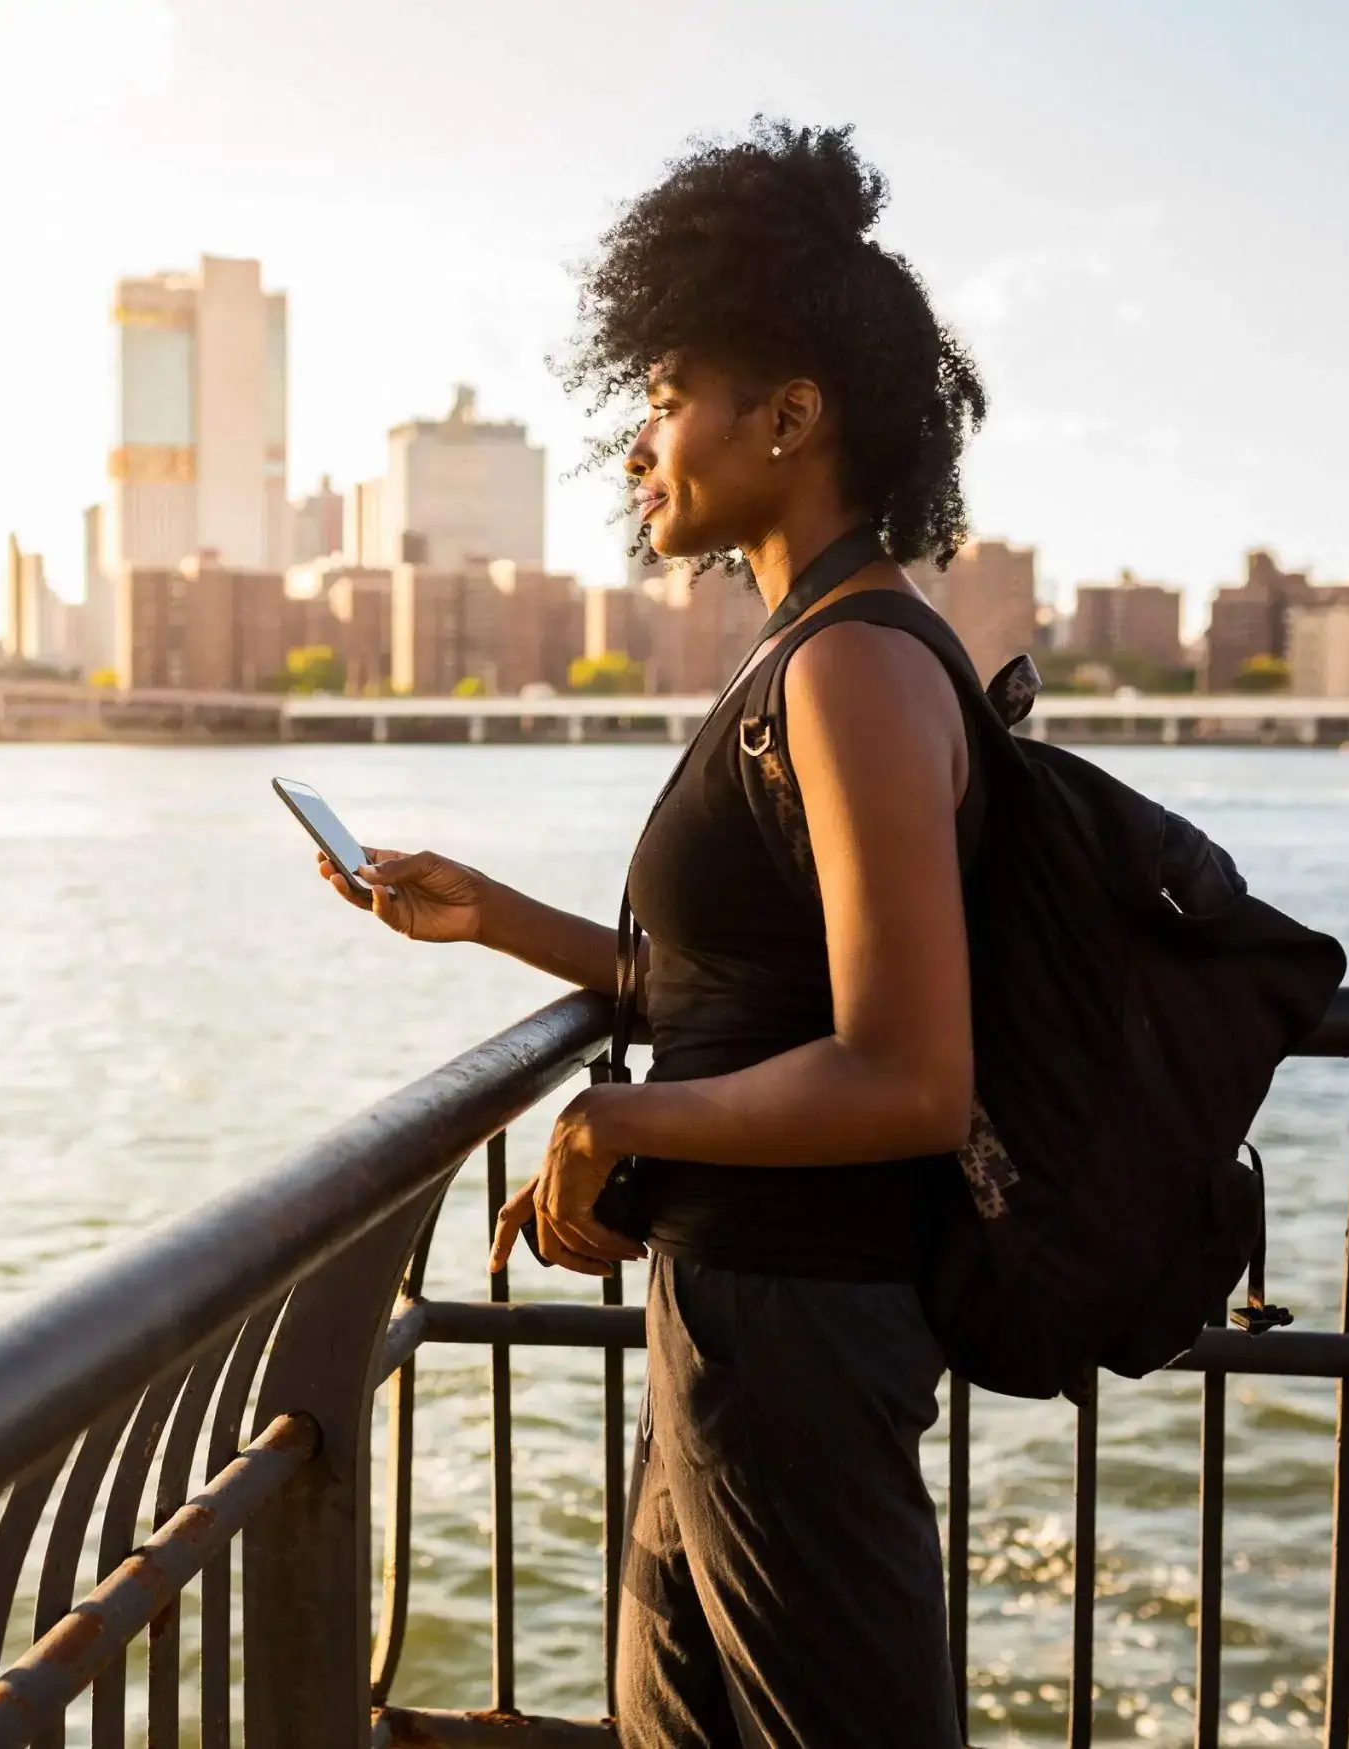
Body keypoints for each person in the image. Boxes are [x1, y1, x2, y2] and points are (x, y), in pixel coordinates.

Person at [320, 120, 987, 1747]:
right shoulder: (802, 658)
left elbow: (910, 1075)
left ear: (792, 415)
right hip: (736, 1315)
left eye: (670, 393)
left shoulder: (854, 669)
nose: (644, 438)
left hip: (802, 1333)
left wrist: (616, 1115)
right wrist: (503, 922)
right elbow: (755, 993)